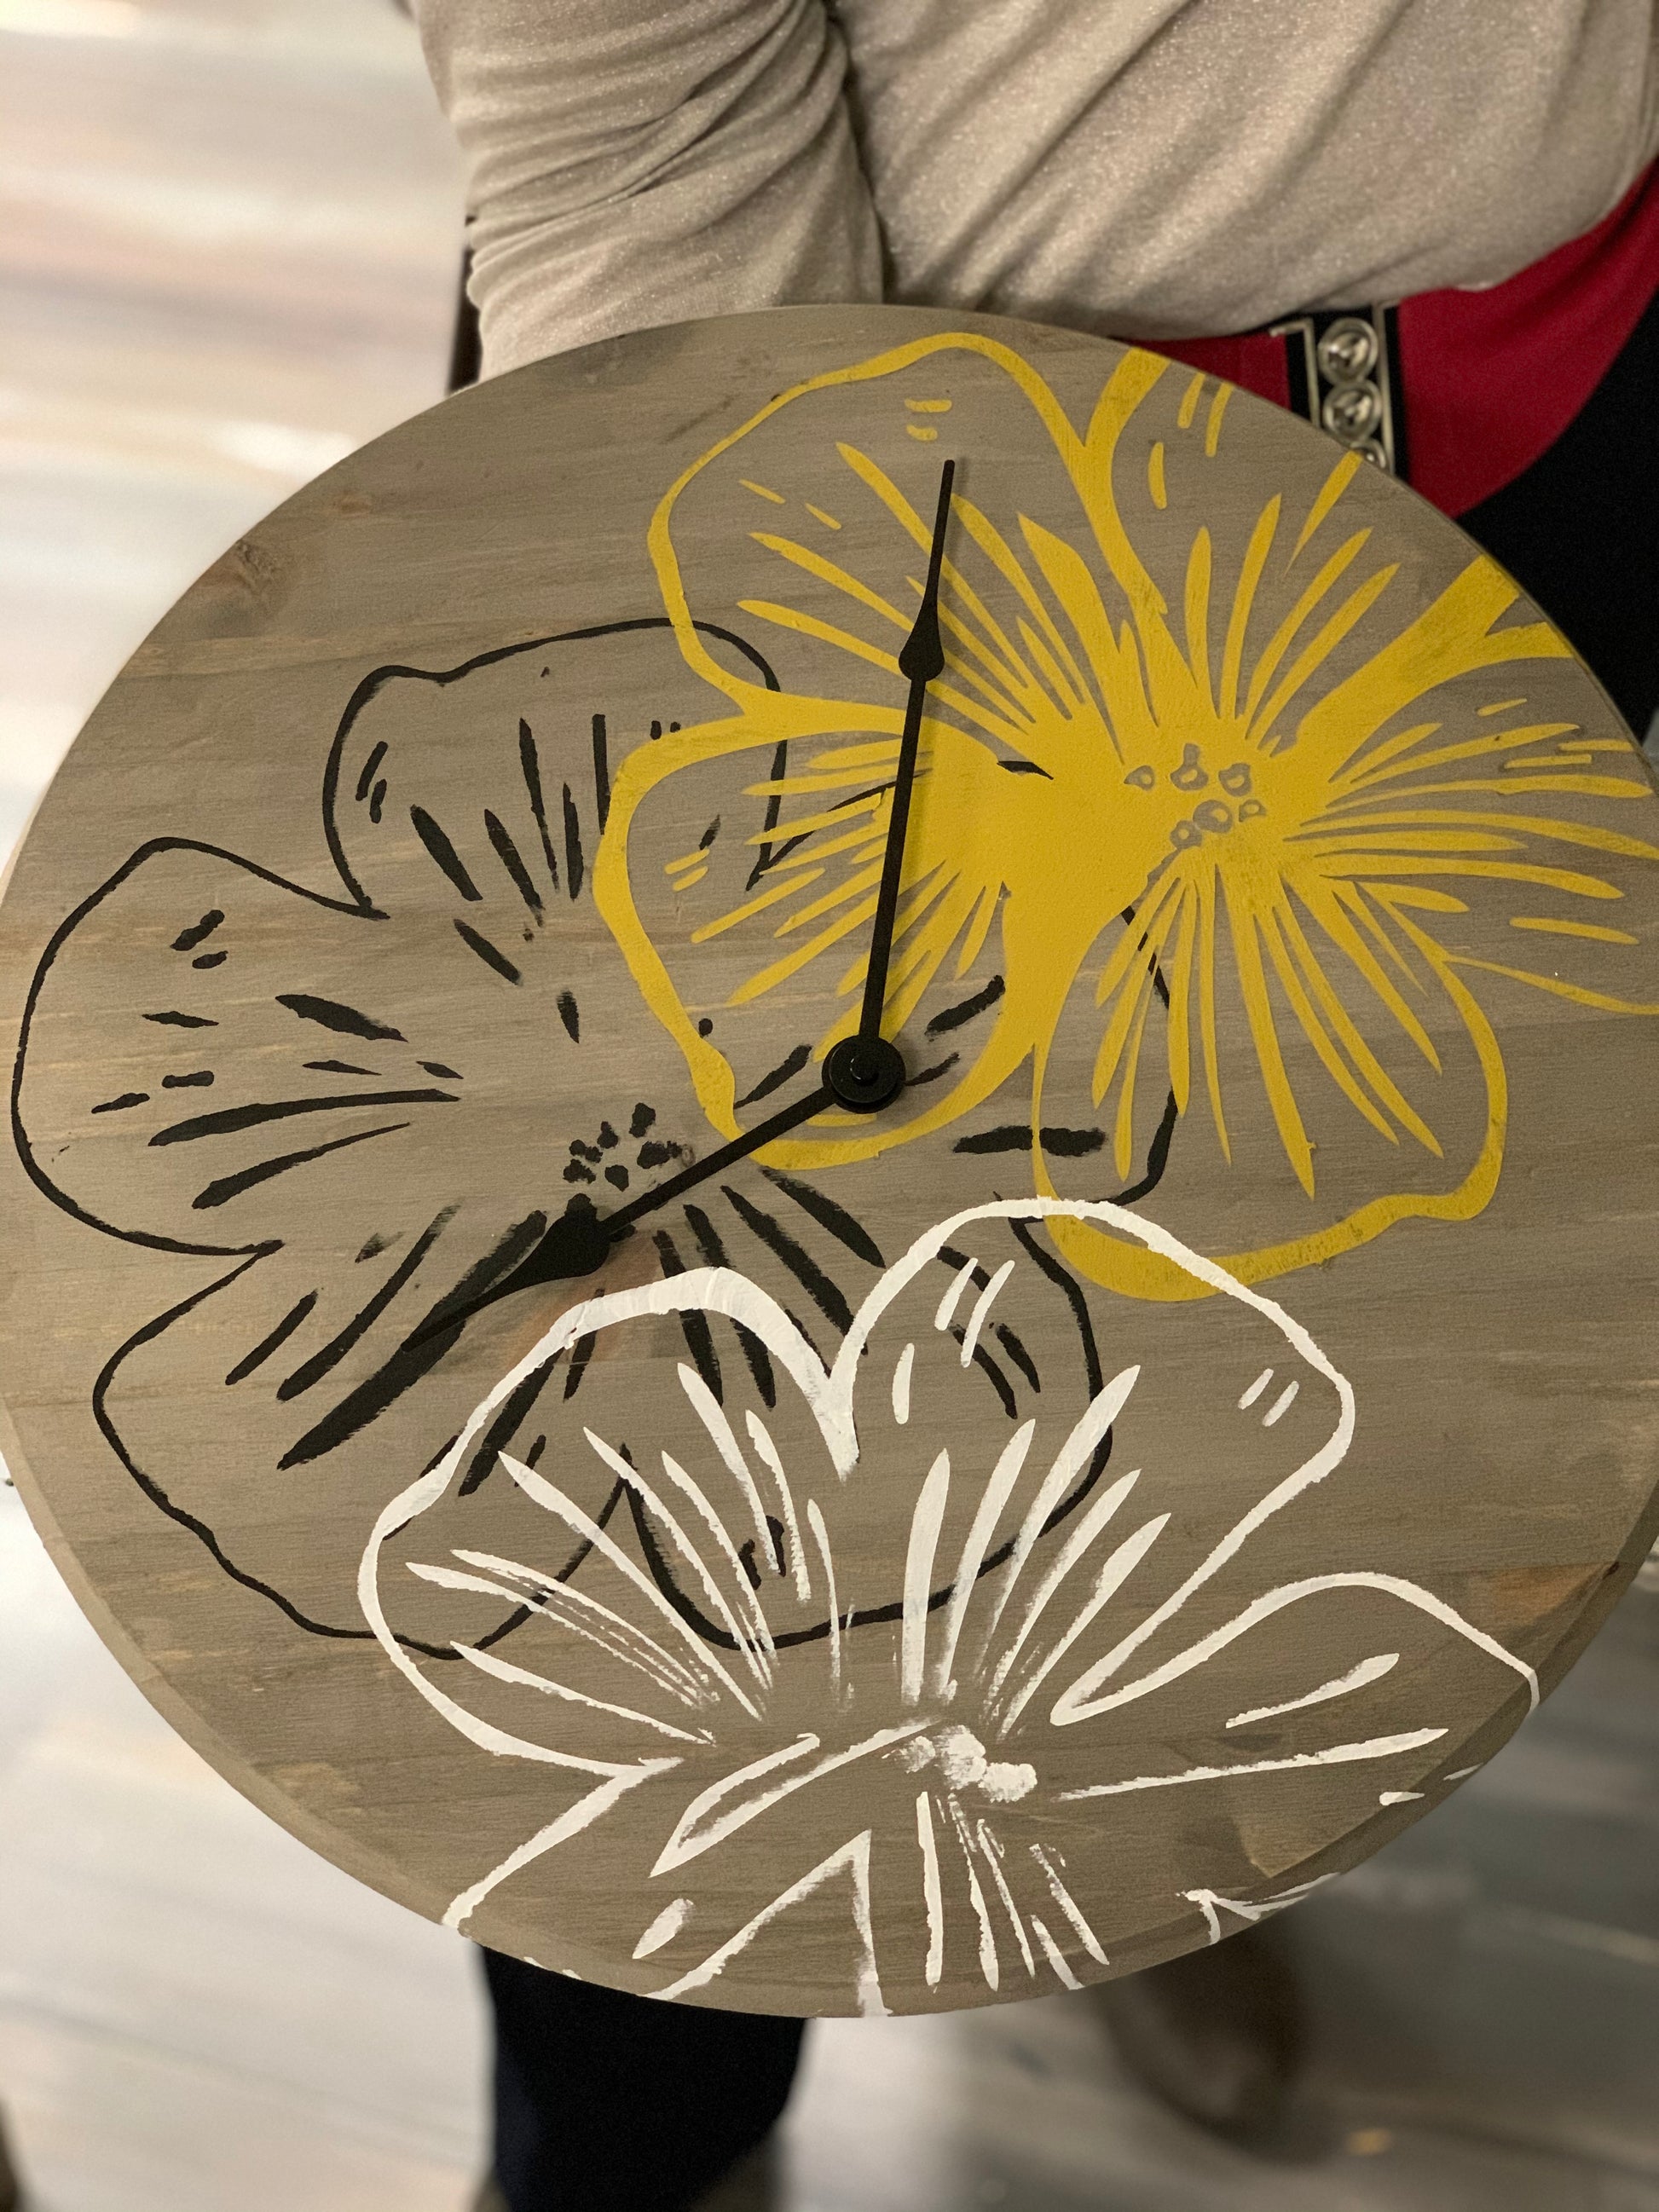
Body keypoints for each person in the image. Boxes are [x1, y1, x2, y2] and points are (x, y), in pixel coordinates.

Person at [407, 3, 1659, 2203]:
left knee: (1275, 1355)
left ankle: (1117, 1850)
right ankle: (638, 2145)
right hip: (842, 501)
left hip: (1539, 418)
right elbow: (633, 124)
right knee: (683, 1428)